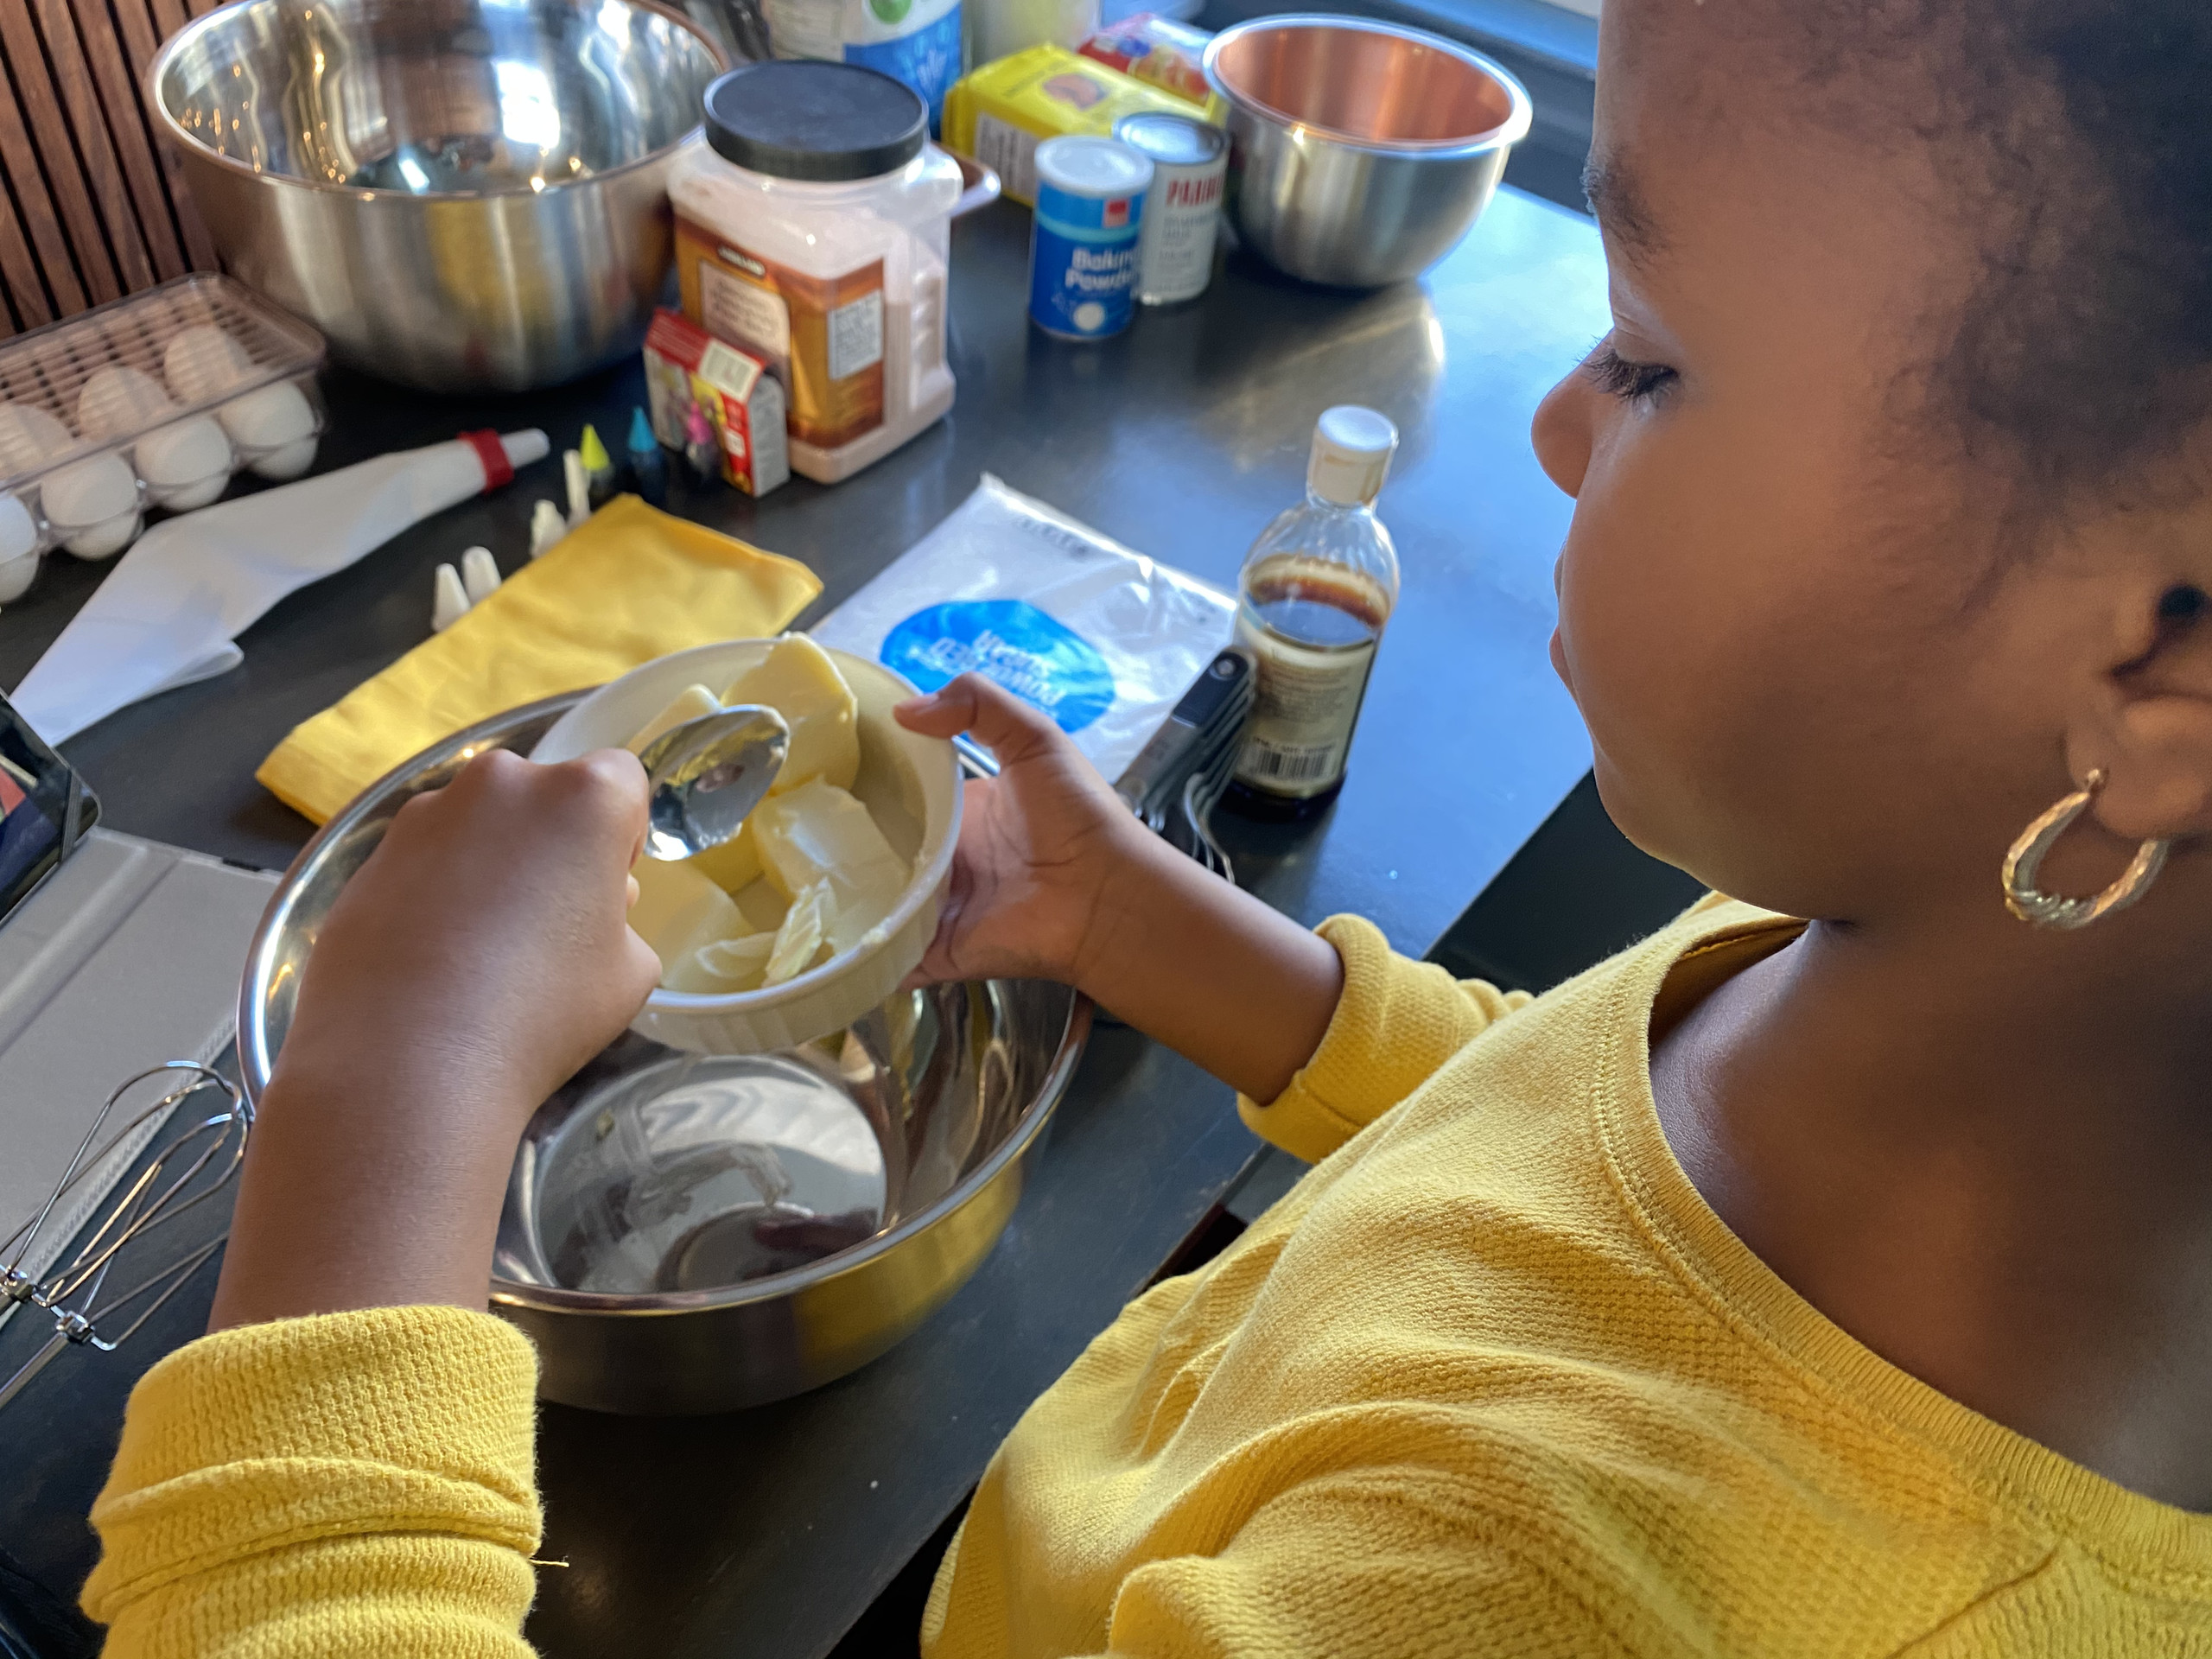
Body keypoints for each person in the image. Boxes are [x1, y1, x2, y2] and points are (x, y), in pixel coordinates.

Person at [79, 0, 2212, 1650]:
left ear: (2162, 660)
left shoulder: (1538, 1598)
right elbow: (1567, 1139)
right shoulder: (1936, 986)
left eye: (1647, 365)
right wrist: (1141, 927)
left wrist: (388, 1092)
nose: (1559, 425)